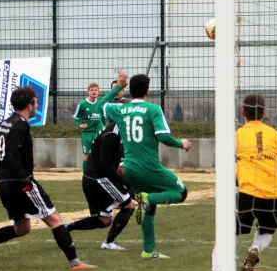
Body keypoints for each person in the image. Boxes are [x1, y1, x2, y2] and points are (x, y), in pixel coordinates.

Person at [0, 87, 96, 271]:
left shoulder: (6, 123)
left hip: (5, 184)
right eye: (35, 101)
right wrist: (23, 180)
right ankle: (75, 263)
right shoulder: (21, 124)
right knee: (54, 219)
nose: (37, 104)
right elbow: (11, 154)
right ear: (29, 105)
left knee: (22, 228)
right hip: (21, 182)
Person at [200, 94, 277, 271]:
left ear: (243, 112)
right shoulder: (275, 135)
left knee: (225, 232)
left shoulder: (236, 136)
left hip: (249, 194)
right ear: (263, 113)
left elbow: (227, 169)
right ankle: (254, 249)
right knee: (266, 230)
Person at [104, 74, 192, 259]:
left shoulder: (120, 109)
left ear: (129, 89)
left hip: (129, 169)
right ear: (147, 91)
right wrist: (181, 143)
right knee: (180, 192)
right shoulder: (153, 109)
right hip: (149, 167)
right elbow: (163, 137)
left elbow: (98, 106)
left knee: (149, 209)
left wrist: (116, 87)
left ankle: (149, 250)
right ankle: (147, 198)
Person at [65, 120, 137, 251]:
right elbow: (106, 166)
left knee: (104, 220)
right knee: (130, 205)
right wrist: (125, 185)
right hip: (98, 179)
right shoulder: (112, 133)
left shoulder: (118, 131)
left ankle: (67, 227)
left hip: (94, 178)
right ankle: (109, 242)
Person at [73, 72, 127, 171]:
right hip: (88, 134)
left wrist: (103, 128)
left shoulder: (126, 103)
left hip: (103, 133)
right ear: (87, 91)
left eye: (96, 90)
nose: (94, 92)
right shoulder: (86, 104)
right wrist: (79, 125)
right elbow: (75, 117)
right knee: (88, 156)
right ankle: (87, 175)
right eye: (92, 90)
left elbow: (103, 118)